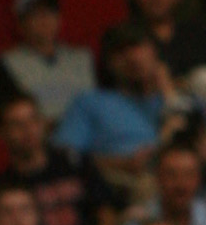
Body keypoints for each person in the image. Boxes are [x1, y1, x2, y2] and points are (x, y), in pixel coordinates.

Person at [54, 26, 180, 186]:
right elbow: (63, 157)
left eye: (138, 47)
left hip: (186, 178)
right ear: (109, 63)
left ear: (154, 52)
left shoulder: (181, 100)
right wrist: (121, 164)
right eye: (121, 52)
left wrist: (169, 93)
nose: (133, 58)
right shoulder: (91, 102)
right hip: (127, 183)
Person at [0, 95, 115, 225]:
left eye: (33, 120)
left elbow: (106, 209)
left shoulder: (73, 162)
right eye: (17, 125)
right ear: (1, 133)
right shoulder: (5, 186)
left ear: (43, 122)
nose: (28, 130)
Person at [0, 0, 93, 128]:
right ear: (21, 24)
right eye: (35, 15)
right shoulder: (9, 63)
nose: (44, 20)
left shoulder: (81, 58)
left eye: (49, 13)